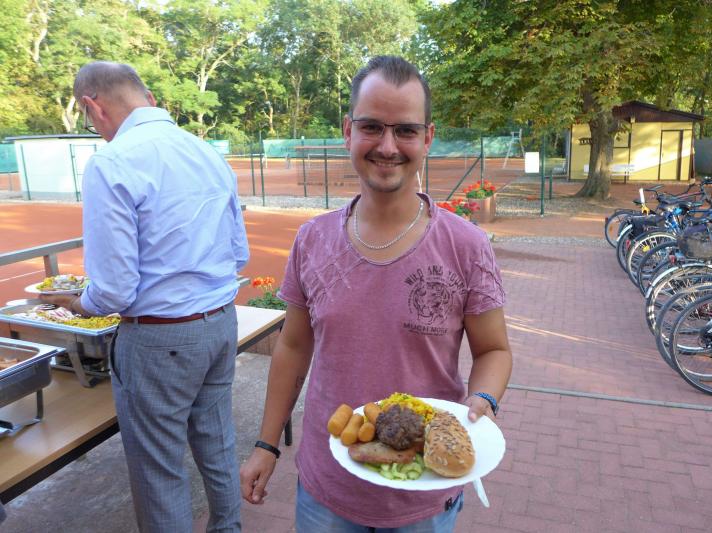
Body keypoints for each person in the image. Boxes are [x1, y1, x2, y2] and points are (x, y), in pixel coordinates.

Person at [239, 55, 512, 531]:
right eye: (371, 127)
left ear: (427, 138)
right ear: (348, 131)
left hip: (424, 489)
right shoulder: (313, 239)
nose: (387, 146)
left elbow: (494, 350)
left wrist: (483, 399)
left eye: (405, 130)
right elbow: (293, 346)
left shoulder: (466, 245)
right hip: (327, 490)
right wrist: (266, 444)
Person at [42, 61, 249, 532]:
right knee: (217, 441)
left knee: (159, 469)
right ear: (149, 99)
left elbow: (115, 289)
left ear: (92, 106)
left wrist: (80, 304)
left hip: (159, 339)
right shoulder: (205, 151)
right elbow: (239, 253)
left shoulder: (112, 162)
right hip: (219, 322)